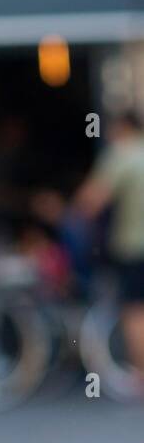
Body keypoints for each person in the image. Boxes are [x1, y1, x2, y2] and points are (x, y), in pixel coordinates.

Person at [72, 110, 144, 394]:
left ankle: (141, 377)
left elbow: (89, 202)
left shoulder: (122, 155)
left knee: (136, 310)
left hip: (135, 247)